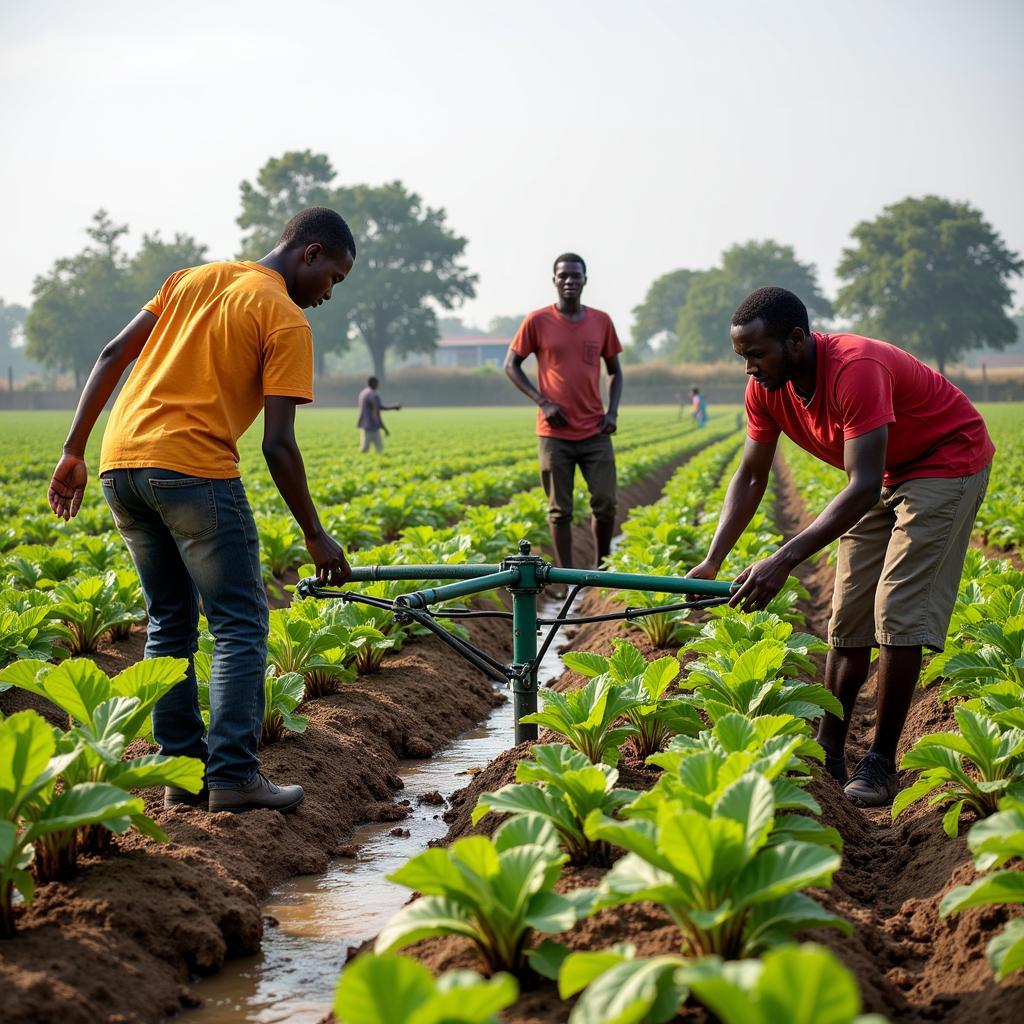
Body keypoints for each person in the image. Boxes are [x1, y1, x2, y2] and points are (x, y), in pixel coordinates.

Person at [46, 207, 356, 815]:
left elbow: (112, 353)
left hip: (120, 464)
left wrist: (72, 448)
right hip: (193, 470)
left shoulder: (190, 279)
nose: (327, 296)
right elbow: (278, 444)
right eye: (333, 279)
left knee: (168, 622)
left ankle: (182, 774)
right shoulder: (284, 317)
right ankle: (235, 777)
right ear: (311, 253)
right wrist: (315, 535)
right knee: (240, 622)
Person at [687, 286, 994, 807]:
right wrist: (713, 558)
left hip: (946, 458)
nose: (749, 369)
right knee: (848, 609)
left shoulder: (856, 367)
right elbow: (751, 475)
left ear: (797, 339)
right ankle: (830, 747)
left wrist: (783, 559)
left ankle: (880, 760)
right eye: (742, 357)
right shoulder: (766, 388)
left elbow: (863, 484)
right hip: (888, 469)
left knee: (897, 606)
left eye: (756, 354)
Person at [504, 253, 623, 568]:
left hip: (595, 429)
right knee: (559, 510)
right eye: (563, 276)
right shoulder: (537, 320)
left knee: (606, 503)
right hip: (554, 432)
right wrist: (543, 401)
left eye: (576, 275)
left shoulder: (601, 321)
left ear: (585, 279)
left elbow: (615, 371)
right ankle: (566, 573)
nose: (570, 281)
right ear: (554, 280)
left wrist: (612, 413)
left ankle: (601, 567)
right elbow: (511, 365)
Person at [356, 376, 401, 452]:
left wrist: (393, 407)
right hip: (372, 425)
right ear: (374, 384)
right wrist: (384, 427)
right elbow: (377, 411)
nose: (378, 385)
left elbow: (377, 407)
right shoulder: (373, 395)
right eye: (377, 383)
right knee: (376, 449)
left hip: (364, 424)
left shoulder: (363, 393)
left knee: (365, 448)